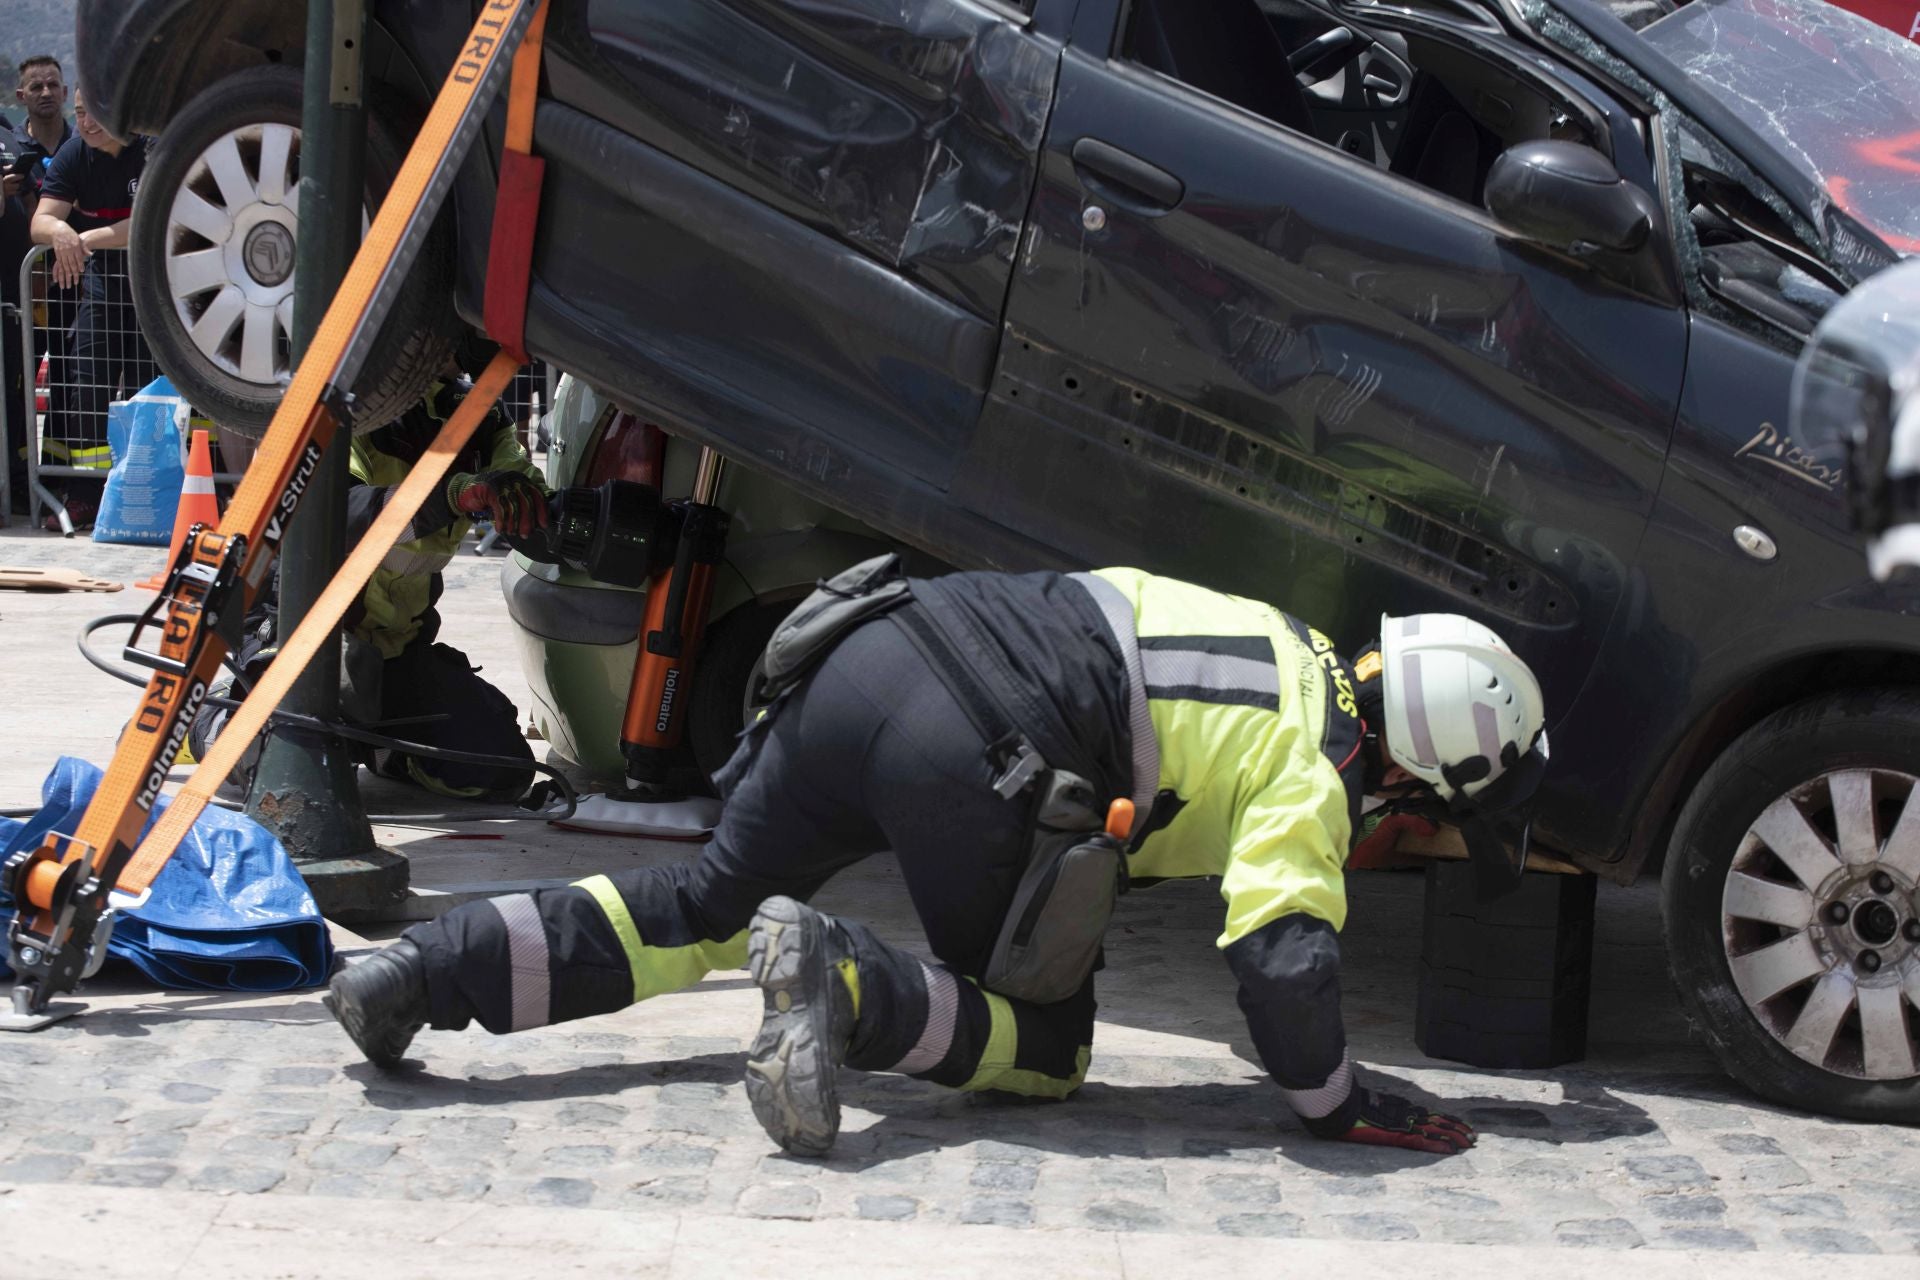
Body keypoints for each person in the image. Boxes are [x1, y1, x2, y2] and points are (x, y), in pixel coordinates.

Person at [326, 563, 1549, 1158]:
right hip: (983, 748)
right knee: (1049, 1047)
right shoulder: (1318, 762)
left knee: (704, 903)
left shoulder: (1280, 632)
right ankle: (842, 979)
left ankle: (420, 972)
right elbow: (1279, 957)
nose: (1418, 833)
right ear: (1419, 768)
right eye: (1443, 814)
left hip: (872, 651)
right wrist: (1337, 1101)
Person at [192, 344, 550, 801]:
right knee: (289, 773)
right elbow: (334, 512)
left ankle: (380, 748)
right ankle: (214, 717)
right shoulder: (349, 405)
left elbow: (528, 491)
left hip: (396, 654)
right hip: (306, 641)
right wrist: (450, 496)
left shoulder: (477, 415)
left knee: (500, 769)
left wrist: (550, 511)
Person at [30, 88, 154, 531]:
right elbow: (40, 221)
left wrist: (85, 238)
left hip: (153, 284)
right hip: (102, 284)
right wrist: (60, 231)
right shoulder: (72, 154)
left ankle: (147, 488)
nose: (85, 122)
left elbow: (151, 216)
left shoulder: (152, 148)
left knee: (147, 388)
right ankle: (86, 493)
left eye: (95, 111)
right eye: (80, 112)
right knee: (87, 381)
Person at [4, 56, 72, 509]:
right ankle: (19, 484)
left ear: (64, 91)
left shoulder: (83, 143)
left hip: (73, 290)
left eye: (52, 84)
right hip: (19, 293)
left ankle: (64, 483)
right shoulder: (8, 147)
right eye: (36, 86)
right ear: (20, 96)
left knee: (70, 386)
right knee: (15, 386)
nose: (45, 92)